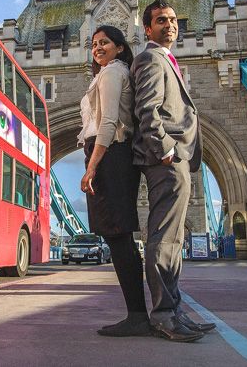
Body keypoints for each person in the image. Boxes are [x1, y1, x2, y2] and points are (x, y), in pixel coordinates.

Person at [130, 0, 211, 342]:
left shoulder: (166, 59)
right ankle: (163, 314)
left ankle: (174, 310)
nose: (170, 25)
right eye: (161, 20)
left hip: (176, 159)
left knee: (174, 242)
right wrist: (166, 151)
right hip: (166, 159)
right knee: (163, 240)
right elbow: (147, 111)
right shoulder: (149, 58)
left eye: (174, 19)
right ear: (147, 28)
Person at [78, 25, 145, 337]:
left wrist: (91, 167)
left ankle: (137, 315)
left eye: (104, 42)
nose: (97, 47)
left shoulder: (112, 73)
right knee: (119, 237)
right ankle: (137, 313)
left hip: (109, 153)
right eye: (93, 44)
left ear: (120, 47)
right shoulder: (109, 73)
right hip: (112, 153)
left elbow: (107, 123)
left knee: (117, 236)